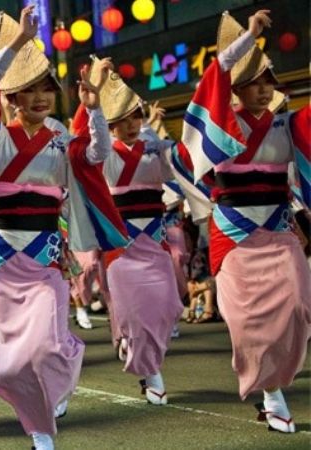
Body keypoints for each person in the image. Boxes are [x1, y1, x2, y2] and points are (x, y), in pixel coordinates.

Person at [0, 8, 126, 450]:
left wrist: (95, 111)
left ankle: (43, 430)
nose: (41, 97)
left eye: (47, 89)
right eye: (30, 91)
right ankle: (39, 418)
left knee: (46, 349)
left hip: (45, 260)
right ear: (13, 98)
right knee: (3, 368)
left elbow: (95, 155)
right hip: (2, 263)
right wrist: (19, 42)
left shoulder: (62, 134)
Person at [180, 9, 310, 433]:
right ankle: (271, 394)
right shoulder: (221, 127)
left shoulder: (287, 125)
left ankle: (276, 382)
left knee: (296, 308)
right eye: (253, 82)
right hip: (233, 235)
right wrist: (248, 38)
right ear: (234, 87)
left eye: (268, 81)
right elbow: (213, 76)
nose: (263, 89)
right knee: (246, 321)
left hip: (277, 231)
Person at [90, 57, 184, 405]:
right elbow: (93, 142)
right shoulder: (102, 154)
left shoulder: (154, 149)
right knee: (133, 312)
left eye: (136, 117)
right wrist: (96, 100)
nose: (131, 124)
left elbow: (181, 172)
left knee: (167, 307)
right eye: (122, 119)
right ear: (110, 123)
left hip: (155, 245)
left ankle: (135, 346)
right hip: (120, 250)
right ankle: (151, 371)